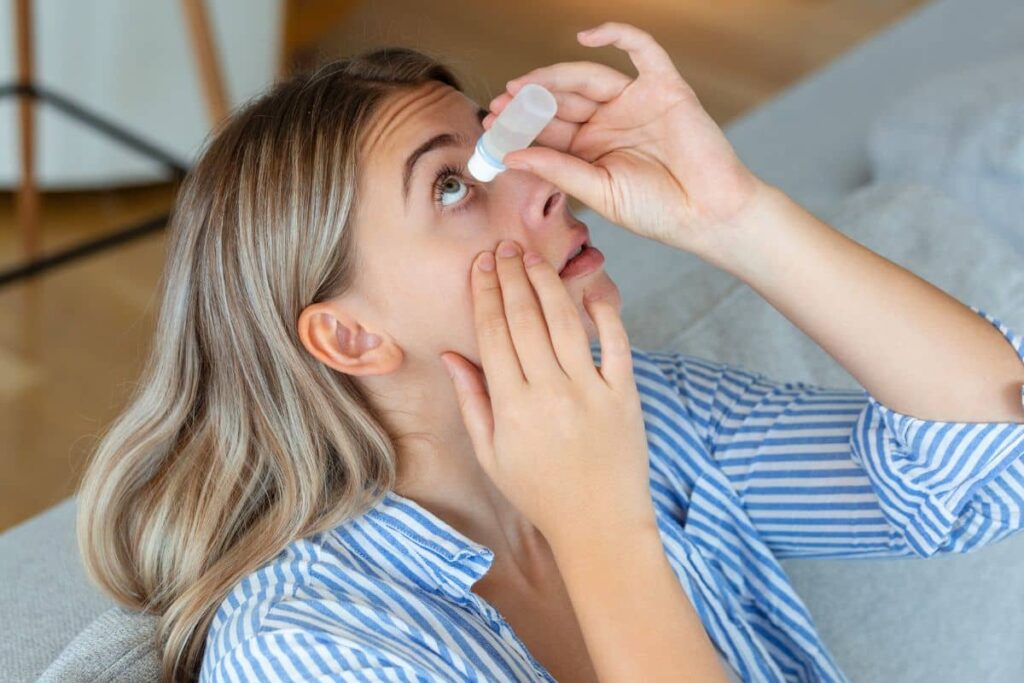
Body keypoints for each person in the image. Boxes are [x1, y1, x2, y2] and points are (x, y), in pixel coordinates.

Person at [75, 20, 1024, 683]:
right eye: (451, 187)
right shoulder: (314, 646)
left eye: (500, 148)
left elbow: (988, 451)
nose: (539, 189)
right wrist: (600, 526)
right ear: (349, 335)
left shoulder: (647, 416)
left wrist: (738, 217)